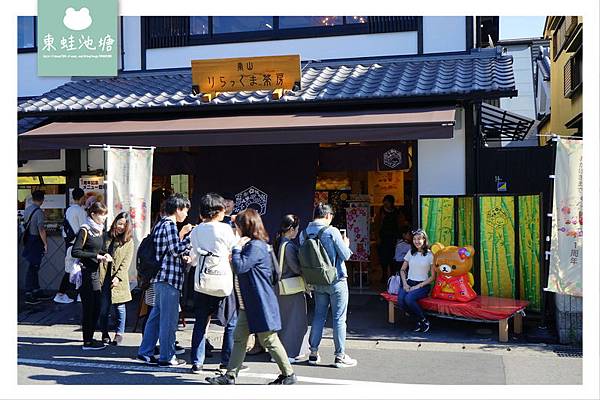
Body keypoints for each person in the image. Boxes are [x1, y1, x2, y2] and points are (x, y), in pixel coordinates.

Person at [206, 209, 297, 385]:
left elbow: (240, 267)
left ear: (245, 227)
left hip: (260, 303)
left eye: (237, 225)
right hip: (249, 303)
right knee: (240, 338)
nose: (235, 228)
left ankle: (288, 374)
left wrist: (236, 247)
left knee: (268, 339)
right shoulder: (255, 245)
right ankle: (230, 375)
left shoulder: (255, 246)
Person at [136, 193, 193, 366]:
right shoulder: (169, 225)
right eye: (185, 210)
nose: (186, 215)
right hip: (169, 279)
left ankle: (145, 352)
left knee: (156, 316)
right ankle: (167, 357)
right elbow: (175, 250)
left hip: (160, 278)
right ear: (178, 209)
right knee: (168, 320)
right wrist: (191, 237)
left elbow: (169, 251)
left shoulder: (160, 224)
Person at [300, 203, 357, 368]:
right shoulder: (331, 231)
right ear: (328, 216)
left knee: (318, 316)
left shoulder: (304, 233)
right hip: (336, 279)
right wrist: (346, 243)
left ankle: (313, 353)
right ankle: (340, 356)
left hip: (317, 280)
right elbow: (345, 255)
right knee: (339, 318)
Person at [188, 193, 240, 373]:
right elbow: (235, 249)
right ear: (218, 211)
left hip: (202, 280)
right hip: (222, 280)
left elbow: (194, 254)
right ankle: (226, 361)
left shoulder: (196, 230)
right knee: (231, 321)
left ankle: (197, 361)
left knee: (201, 322)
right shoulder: (225, 229)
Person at [71, 202, 112, 350]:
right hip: (85, 272)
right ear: (93, 214)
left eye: (105, 214)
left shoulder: (100, 230)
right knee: (89, 307)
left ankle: (90, 336)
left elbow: (99, 249)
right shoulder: (85, 229)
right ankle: (87, 341)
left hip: (95, 272)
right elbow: (75, 251)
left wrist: (104, 254)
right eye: (102, 214)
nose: (104, 217)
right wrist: (97, 256)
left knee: (97, 305)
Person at [273, 214, 309, 363]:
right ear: (292, 229)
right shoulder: (288, 246)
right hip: (291, 288)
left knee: (284, 322)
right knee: (294, 321)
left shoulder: (279, 243)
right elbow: (296, 268)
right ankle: (289, 353)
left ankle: (279, 353)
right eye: (297, 229)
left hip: (280, 288)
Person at [98, 212, 134, 345]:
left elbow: (126, 262)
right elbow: (99, 251)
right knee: (104, 308)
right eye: (119, 223)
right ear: (115, 222)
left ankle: (119, 334)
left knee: (120, 307)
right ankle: (104, 333)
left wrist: (118, 277)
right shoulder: (105, 236)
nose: (121, 227)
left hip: (118, 278)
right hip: (103, 275)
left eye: (124, 225)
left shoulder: (128, 241)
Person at [397, 229, 436, 333]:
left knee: (409, 299)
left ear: (424, 240)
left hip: (422, 285)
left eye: (419, 239)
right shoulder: (411, 252)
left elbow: (432, 277)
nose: (416, 241)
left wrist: (418, 286)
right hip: (409, 282)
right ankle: (417, 320)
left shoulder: (430, 255)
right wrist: (405, 284)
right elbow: (402, 270)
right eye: (414, 239)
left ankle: (424, 320)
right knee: (401, 301)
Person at [55, 188, 87, 304]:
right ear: (82, 197)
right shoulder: (80, 211)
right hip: (77, 245)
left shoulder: (69, 210)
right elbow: (85, 229)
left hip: (69, 243)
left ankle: (77, 294)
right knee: (74, 270)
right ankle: (61, 294)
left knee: (74, 270)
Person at [22, 190, 51, 305]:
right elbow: (41, 229)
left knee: (33, 267)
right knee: (33, 267)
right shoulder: (38, 212)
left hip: (29, 240)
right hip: (35, 241)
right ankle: (29, 293)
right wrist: (45, 244)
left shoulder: (28, 209)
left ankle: (36, 290)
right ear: (42, 200)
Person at [375, 194, 407, 285]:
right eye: (385, 202)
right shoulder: (380, 212)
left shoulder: (397, 212)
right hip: (383, 238)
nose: (385, 204)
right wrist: (377, 237)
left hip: (394, 238)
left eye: (387, 202)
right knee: (383, 258)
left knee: (393, 257)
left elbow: (401, 225)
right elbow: (377, 225)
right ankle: (384, 275)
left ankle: (393, 276)